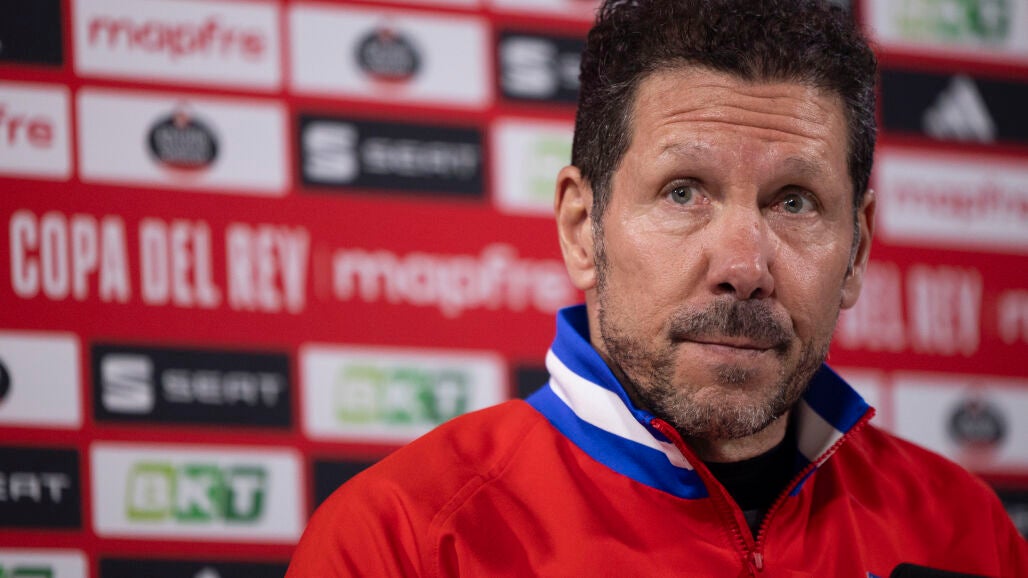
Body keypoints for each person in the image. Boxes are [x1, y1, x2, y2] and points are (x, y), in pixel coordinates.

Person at [287, 1, 1028, 575]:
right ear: (583, 228)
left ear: (857, 250)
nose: (744, 265)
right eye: (683, 192)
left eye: (795, 201)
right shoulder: (402, 541)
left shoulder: (966, 532)